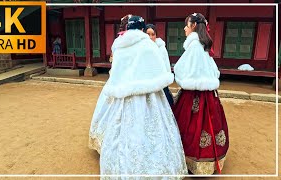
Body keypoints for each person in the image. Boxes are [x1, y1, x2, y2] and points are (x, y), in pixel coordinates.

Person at [89, 15, 188, 178]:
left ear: (128, 28)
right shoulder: (149, 46)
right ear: (142, 29)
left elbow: (116, 73)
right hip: (151, 99)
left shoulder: (120, 47)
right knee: (154, 133)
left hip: (125, 99)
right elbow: (159, 72)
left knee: (123, 133)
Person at [172, 12, 229, 175]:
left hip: (192, 95)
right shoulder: (204, 47)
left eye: (186, 24)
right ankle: (210, 160)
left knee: (190, 127)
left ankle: (192, 160)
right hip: (209, 95)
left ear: (194, 26)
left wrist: (180, 76)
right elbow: (214, 71)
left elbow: (181, 68)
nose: (184, 28)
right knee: (210, 126)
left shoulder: (194, 47)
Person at [144, 24, 174, 106]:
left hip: (160, 82)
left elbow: (166, 66)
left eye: (153, 34)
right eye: (148, 34)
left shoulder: (161, 48)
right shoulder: (141, 48)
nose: (150, 37)